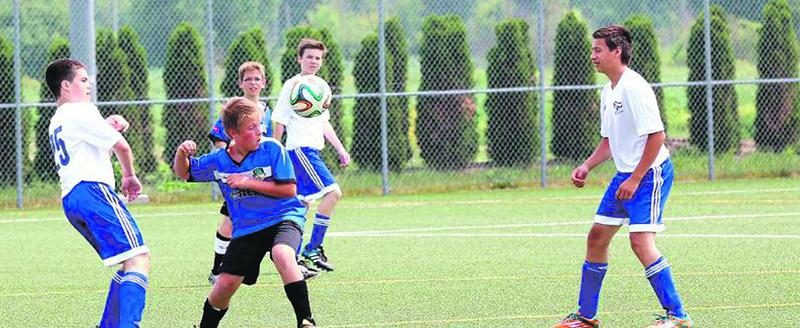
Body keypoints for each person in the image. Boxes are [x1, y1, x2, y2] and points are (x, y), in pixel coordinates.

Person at [553, 25, 692, 328]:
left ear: (617, 51)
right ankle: (587, 316)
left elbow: (657, 137)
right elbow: (609, 142)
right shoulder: (609, 90)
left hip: (650, 172)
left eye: (598, 50)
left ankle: (678, 316)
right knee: (597, 237)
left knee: (641, 242)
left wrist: (634, 179)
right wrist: (587, 166)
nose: (593, 56)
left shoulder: (634, 86)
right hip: (626, 174)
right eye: (593, 50)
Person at [174, 97, 317, 328]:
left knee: (282, 254)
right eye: (252, 127)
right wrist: (182, 154)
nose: (260, 130)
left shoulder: (272, 148)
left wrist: (248, 182)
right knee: (224, 285)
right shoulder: (219, 161)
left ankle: (305, 320)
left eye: (260, 124)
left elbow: (289, 190)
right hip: (247, 229)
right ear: (233, 132)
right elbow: (185, 173)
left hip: (283, 217)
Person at [46, 58, 150, 328]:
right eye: (82, 79)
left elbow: (92, 149)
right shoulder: (81, 110)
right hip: (93, 191)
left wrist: (107, 125)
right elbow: (122, 147)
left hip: (72, 199)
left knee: (126, 261)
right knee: (139, 258)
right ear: (66, 86)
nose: (88, 83)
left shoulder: (57, 119)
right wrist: (129, 176)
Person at [205, 61, 319, 284]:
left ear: (264, 82)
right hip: (239, 177)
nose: (253, 83)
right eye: (248, 79)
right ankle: (217, 267)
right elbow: (219, 139)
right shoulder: (235, 108)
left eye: (257, 79)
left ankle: (290, 263)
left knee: (274, 217)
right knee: (230, 220)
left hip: (262, 176)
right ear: (240, 83)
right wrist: (229, 165)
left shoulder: (267, 110)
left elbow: (270, 141)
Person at [273, 38, 350, 273]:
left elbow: (324, 123)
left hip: (312, 150)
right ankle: (312, 249)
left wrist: (340, 148)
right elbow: (279, 119)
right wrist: (274, 152)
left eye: (318, 58)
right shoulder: (293, 86)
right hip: (300, 150)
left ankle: (291, 255)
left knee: (302, 204)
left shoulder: (321, 87)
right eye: (309, 57)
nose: (313, 61)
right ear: (299, 59)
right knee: (333, 193)